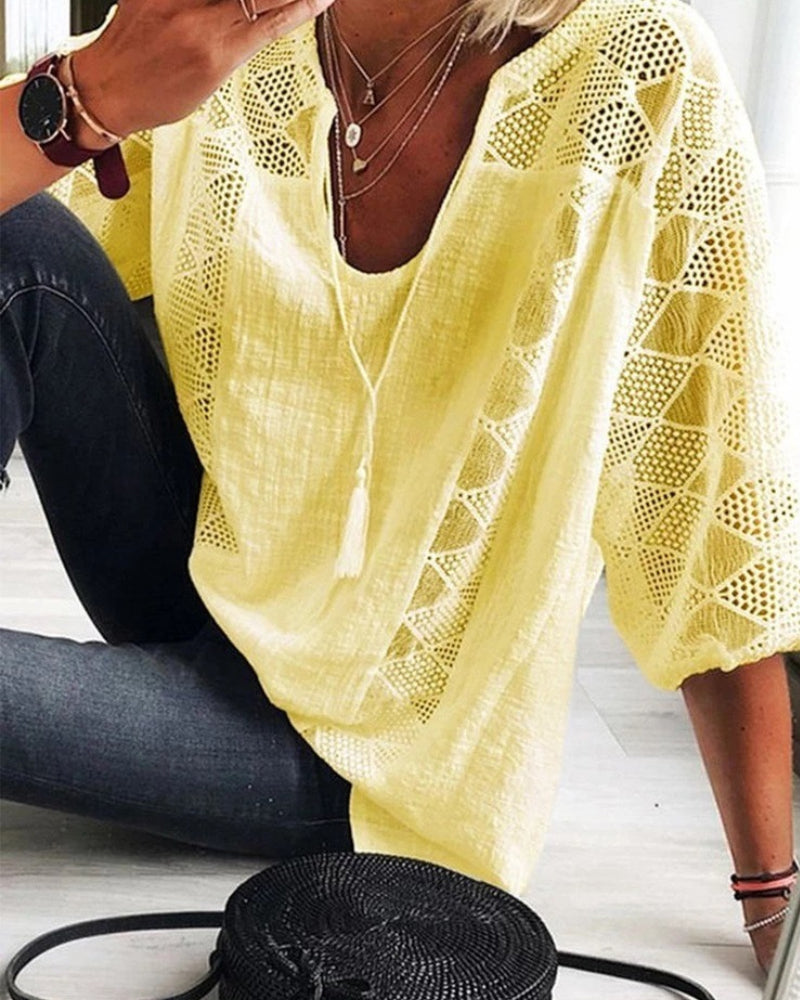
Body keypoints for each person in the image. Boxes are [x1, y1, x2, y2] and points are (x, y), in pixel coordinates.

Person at [1, 0, 797, 976]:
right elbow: (43, 229)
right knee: (19, 238)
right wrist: (90, 96)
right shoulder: (241, 30)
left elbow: (711, 529)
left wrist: (772, 892)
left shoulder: (638, 72)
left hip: (362, 753)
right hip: (206, 572)